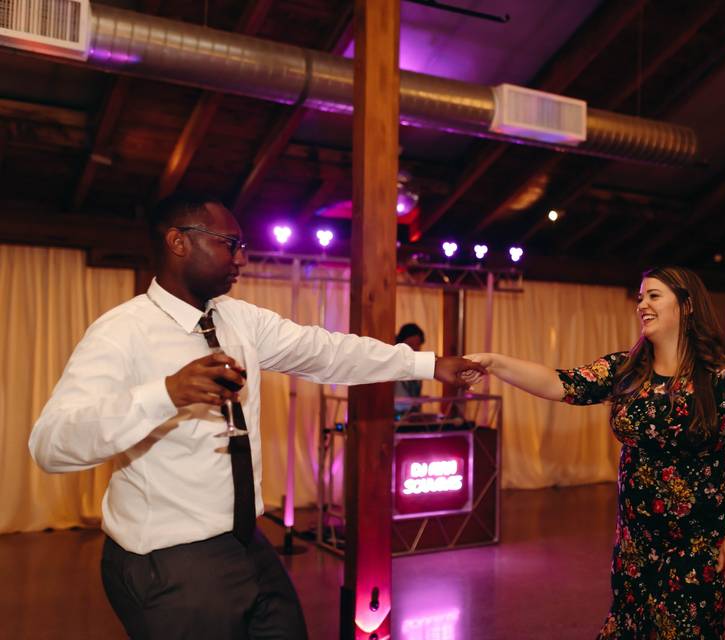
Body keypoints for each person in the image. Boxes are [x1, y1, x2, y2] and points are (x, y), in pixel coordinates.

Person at [27, 194, 485, 640]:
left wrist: (426, 365)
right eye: (229, 243)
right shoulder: (120, 332)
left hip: (246, 543)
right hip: (167, 560)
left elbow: (326, 351)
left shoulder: (239, 320)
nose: (240, 258)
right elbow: (51, 444)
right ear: (178, 242)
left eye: (241, 246)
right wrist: (165, 394)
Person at [463, 266, 725, 639]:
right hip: (635, 547)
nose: (642, 305)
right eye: (639, 298)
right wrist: (496, 363)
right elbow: (561, 383)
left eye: (654, 296)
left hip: (699, 549)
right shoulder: (627, 371)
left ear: (687, 306)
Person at [394, 323, 425, 417]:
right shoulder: (393, 366)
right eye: (410, 345)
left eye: (418, 346)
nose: (415, 349)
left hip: (414, 416)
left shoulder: (419, 367)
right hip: (394, 416)